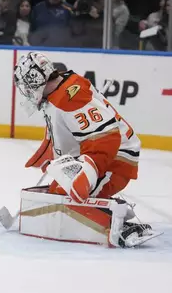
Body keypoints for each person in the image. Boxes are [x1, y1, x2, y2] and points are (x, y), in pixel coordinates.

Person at [14, 52, 153, 247]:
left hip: (115, 160)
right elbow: (64, 130)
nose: (25, 90)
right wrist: (50, 156)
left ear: (35, 78)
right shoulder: (60, 89)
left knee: (63, 199)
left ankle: (119, 222)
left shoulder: (69, 98)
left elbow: (106, 138)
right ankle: (108, 208)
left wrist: (89, 171)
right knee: (54, 195)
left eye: (26, 84)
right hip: (94, 157)